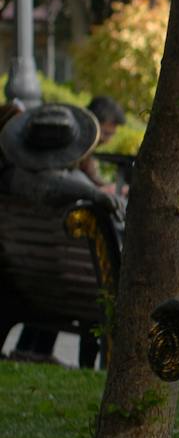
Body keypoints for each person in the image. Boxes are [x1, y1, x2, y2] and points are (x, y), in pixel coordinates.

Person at [0, 104, 109, 361]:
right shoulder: (79, 190)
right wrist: (95, 193)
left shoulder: (10, 182)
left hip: (31, 284)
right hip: (85, 291)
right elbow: (54, 185)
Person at [77, 95, 126, 190]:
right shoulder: (74, 145)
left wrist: (110, 187)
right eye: (106, 133)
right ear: (92, 123)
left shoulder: (87, 150)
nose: (107, 141)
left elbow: (91, 176)